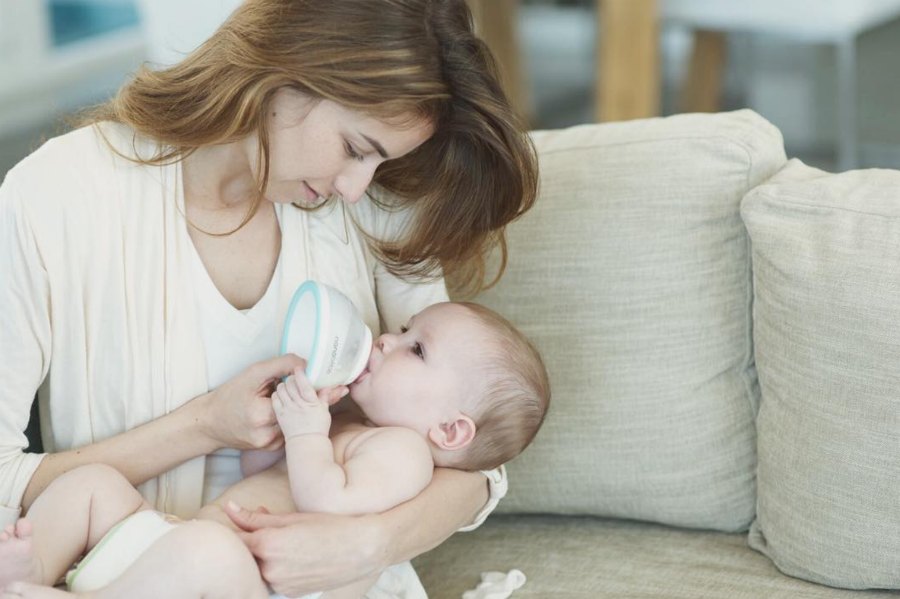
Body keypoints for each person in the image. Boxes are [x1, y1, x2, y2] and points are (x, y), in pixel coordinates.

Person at [0, 0, 539, 596]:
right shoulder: (58, 196)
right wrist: (205, 426)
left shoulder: (376, 206)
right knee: (92, 491)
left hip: (271, 577)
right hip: (124, 547)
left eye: (380, 161)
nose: (356, 189)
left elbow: (471, 463)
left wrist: (366, 544)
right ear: (288, 73)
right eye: (356, 148)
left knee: (206, 554)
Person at [0, 301, 551, 599]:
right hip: (177, 551)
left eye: (416, 348)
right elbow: (263, 471)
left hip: (245, 585)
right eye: (405, 327)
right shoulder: (354, 425)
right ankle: (29, 567)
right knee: (93, 485)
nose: (386, 339)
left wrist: (309, 431)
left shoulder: (405, 453)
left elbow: (329, 506)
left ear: (450, 432)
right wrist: (284, 432)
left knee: (206, 551)